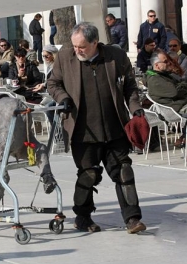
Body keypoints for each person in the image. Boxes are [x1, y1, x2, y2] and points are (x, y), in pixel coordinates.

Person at [47, 22, 146, 234]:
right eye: (75, 45)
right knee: (88, 174)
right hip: (83, 130)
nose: (77, 50)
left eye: (82, 46)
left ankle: (133, 219)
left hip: (114, 127)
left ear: (95, 43)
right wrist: (63, 98)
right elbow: (53, 84)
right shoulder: (66, 56)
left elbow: (130, 86)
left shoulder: (115, 56)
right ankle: (82, 217)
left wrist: (136, 109)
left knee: (124, 171)